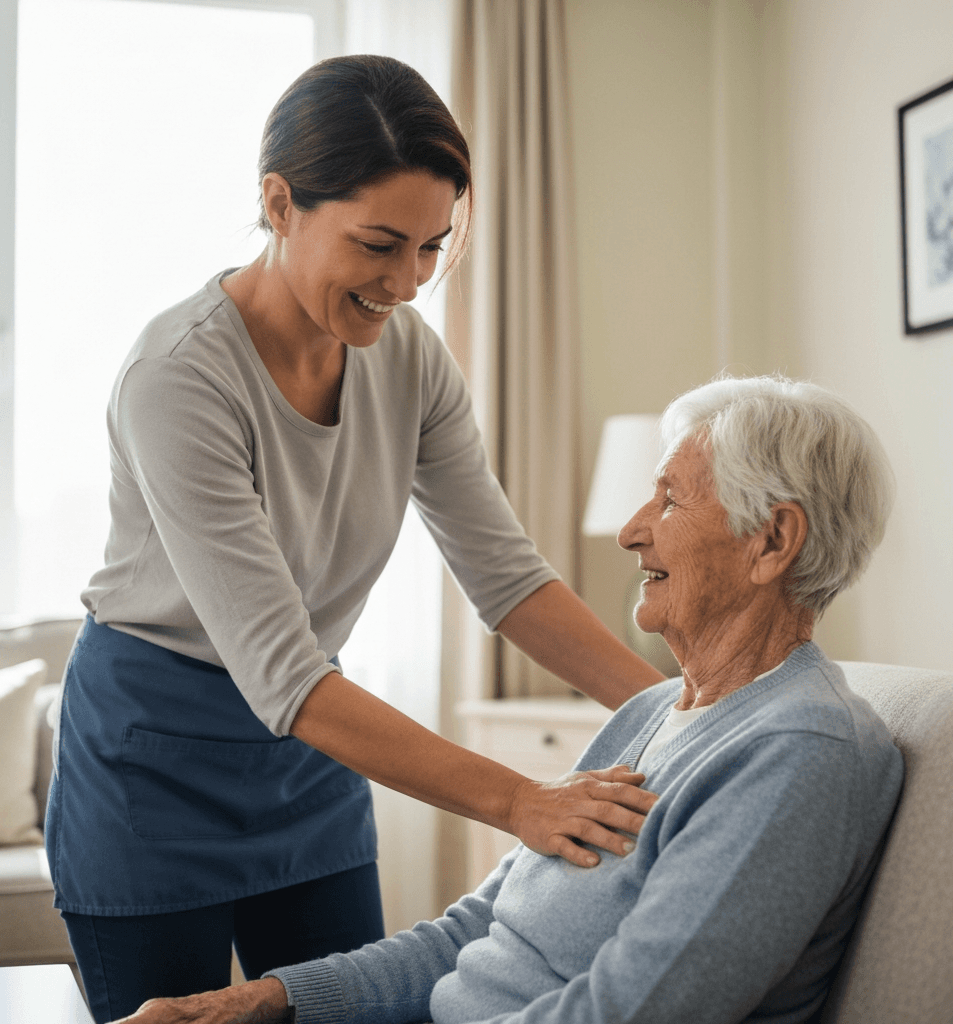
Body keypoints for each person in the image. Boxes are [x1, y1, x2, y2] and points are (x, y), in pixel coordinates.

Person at [45, 54, 665, 1023]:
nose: (407, 284)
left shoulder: (408, 358)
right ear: (280, 203)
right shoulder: (177, 377)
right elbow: (284, 674)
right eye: (380, 245)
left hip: (304, 761)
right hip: (151, 766)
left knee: (353, 1008)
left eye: (430, 247)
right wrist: (522, 803)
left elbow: (506, 579)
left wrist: (674, 706)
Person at [111, 374, 903, 1024]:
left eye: (667, 500)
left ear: (772, 541)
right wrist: (266, 1000)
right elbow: (477, 931)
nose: (631, 532)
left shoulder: (801, 751)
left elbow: (631, 1013)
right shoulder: (653, 712)